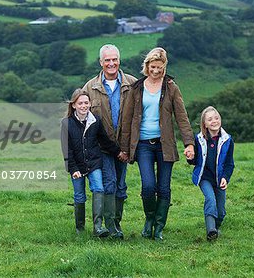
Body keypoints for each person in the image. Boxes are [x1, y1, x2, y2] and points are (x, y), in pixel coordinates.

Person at [120, 47, 195, 240]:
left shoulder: (171, 87)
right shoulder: (137, 88)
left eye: (160, 67)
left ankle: (159, 227)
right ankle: (149, 219)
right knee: (148, 186)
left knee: (163, 188)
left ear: (164, 66)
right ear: (146, 66)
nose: (156, 71)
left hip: (165, 144)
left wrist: (189, 143)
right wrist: (124, 147)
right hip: (143, 144)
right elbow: (127, 121)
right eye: (153, 67)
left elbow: (182, 117)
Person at [82, 44, 136, 239]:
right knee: (110, 182)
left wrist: (130, 147)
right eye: (107, 60)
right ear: (100, 62)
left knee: (121, 186)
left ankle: (116, 223)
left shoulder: (132, 84)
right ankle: (110, 227)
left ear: (119, 61)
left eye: (114, 59)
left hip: (125, 146)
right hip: (103, 148)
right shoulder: (90, 87)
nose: (111, 63)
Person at [60, 89, 125, 237]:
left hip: (94, 162)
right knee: (79, 196)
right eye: (80, 103)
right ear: (74, 105)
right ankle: (80, 229)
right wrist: (72, 168)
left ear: (90, 104)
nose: (83, 106)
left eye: (86, 103)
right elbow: (67, 150)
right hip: (77, 165)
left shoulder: (95, 121)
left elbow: (105, 141)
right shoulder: (66, 124)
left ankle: (98, 227)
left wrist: (118, 152)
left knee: (99, 189)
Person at [187, 106, 235, 241]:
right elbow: (195, 161)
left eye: (216, 118)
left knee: (221, 212)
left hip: (219, 179)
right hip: (205, 177)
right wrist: (190, 157)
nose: (214, 121)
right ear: (205, 124)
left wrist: (225, 177)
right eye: (210, 119)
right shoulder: (199, 139)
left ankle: (216, 227)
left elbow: (230, 164)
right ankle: (211, 230)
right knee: (210, 200)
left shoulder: (228, 140)